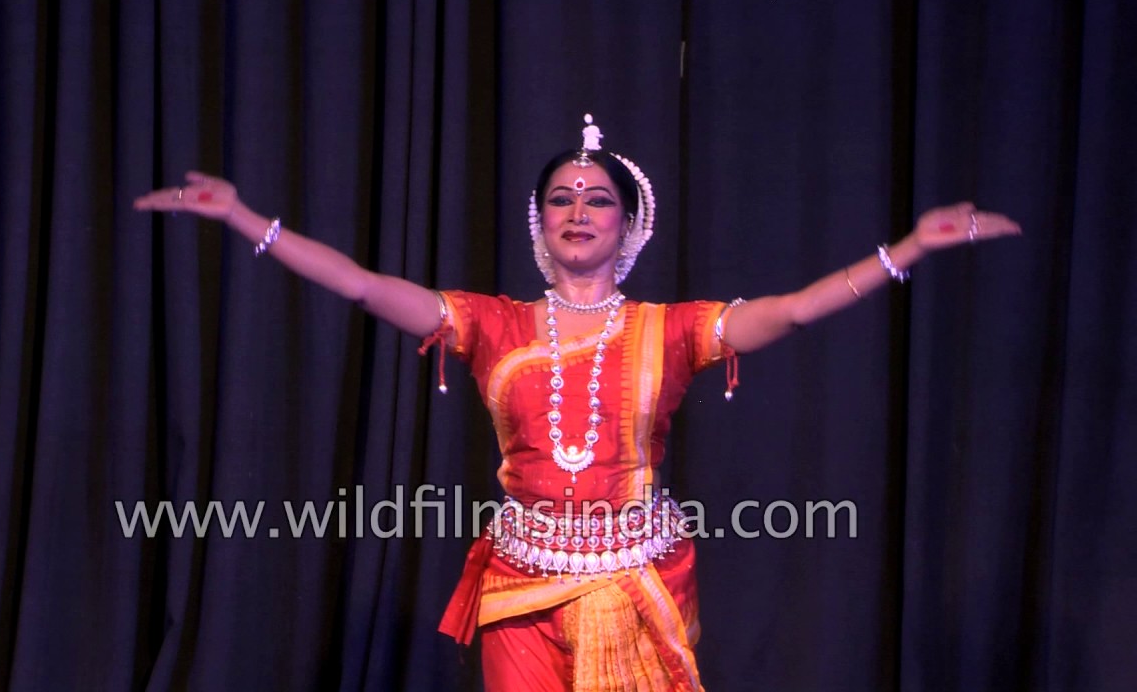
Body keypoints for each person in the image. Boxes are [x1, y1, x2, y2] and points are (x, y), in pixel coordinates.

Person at [134, 115, 1020, 691]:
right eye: (561, 198)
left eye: (598, 200)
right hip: (519, 578)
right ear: (540, 222)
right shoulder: (490, 322)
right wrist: (245, 219)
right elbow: (364, 287)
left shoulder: (673, 329)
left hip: (634, 575)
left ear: (629, 225)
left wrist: (909, 249)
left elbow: (789, 312)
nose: (579, 210)